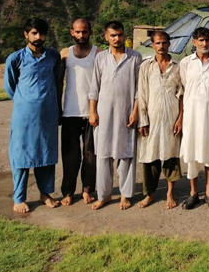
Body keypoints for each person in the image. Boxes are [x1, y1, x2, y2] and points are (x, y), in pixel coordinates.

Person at [4, 18, 61, 213]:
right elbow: (9, 86)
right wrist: (25, 101)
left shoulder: (53, 57)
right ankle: (19, 197)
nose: (38, 37)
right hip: (24, 117)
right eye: (34, 33)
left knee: (46, 153)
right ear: (26, 34)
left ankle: (45, 193)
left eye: (42, 33)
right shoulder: (16, 58)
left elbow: (57, 82)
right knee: (20, 155)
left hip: (48, 115)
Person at [88, 21, 142, 210]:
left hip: (126, 113)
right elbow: (94, 87)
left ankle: (126, 195)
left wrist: (135, 111)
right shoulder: (101, 58)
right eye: (113, 35)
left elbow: (139, 89)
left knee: (126, 153)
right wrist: (92, 112)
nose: (117, 39)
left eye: (119, 35)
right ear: (106, 37)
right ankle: (104, 195)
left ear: (124, 35)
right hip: (104, 113)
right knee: (103, 154)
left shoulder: (135, 57)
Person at [178, 27, 209, 210]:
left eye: (207, 40)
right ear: (194, 42)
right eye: (200, 40)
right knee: (191, 156)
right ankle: (193, 194)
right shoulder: (186, 63)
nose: (204, 44)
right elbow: (183, 90)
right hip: (191, 117)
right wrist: (181, 117)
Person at [137, 30, 182, 209]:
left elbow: (182, 95)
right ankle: (150, 194)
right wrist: (143, 120)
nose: (161, 46)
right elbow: (142, 94)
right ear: (152, 45)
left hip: (171, 117)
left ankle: (170, 193)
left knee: (171, 156)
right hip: (152, 118)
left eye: (164, 43)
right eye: (157, 43)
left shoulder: (177, 67)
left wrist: (180, 119)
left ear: (169, 44)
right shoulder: (146, 67)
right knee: (150, 158)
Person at [59, 18, 99, 206]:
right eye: (78, 32)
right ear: (71, 33)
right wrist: (58, 108)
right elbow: (59, 82)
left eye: (84, 31)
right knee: (70, 155)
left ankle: (87, 189)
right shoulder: (65, 54)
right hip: (70, 112)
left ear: (90, 32)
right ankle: (68, 191)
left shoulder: (99, 53)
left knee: (91, 155)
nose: (81, 35)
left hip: (92, 112)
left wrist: (97, 110)